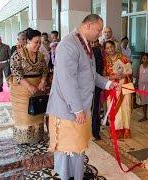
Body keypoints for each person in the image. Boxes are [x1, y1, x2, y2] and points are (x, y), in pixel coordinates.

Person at [46, 14, 117, 180]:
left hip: (79, 107)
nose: (100, 34)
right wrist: (77, 109)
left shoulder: (84, 43)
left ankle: (75, 175)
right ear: (88, 26)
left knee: (77, 148)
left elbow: (90, 74)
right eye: (99, 30)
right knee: (67, 149)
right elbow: (67, 81)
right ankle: (66, 177)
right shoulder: (68, 44)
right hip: (67, 109)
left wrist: (108, 84)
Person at [10, 28, 48, 144]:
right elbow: (15, 71)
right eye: (36, 42)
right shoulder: (18, 54)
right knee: (25, 115)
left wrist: (42, 81)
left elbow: (45, 70)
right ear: (28, 41)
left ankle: (37, 136)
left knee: (37, 112)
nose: (38, 45)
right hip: (22, 91)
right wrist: (29, 86)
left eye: (40, 42)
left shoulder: (41, 56)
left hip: (37, 90)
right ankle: (24, 139)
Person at [103, 40, 133, 139]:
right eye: (107, 48)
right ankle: (116, 131)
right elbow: (103, 76)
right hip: (112, 87)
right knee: (114, 108)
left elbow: (130, 71)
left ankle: (125, 130)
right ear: (105, 50)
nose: (110, 49)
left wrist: (123, 74)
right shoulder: (105, 61)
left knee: (126, 108)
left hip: (124, 85)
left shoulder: (123, 57)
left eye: (111, 47)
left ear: (114, 47)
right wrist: (113, 76)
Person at [136, 53, 148, 126]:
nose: (145, 60)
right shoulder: (140, 66)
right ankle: (144, 116)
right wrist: (136, 86)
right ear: (141, 59)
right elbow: (137, 77)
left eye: (147, 58)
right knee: (143, 102)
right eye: (144, 58)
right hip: (141, 86)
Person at [91, 39, 104, 140]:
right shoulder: (80, 51)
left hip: (95, 84)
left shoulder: (96, 51)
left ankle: (95, 132)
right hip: (82, 86)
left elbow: (100, 68)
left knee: (95, 109)